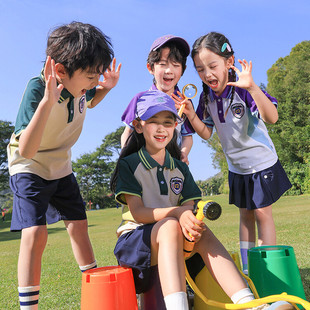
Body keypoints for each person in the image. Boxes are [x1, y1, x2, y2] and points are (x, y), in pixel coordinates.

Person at [110, 90, 293, 310]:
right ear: (139, 126)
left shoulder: (179, 167)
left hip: (176, 244)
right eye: (153, 122)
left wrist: (188, 219)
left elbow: (189, 205)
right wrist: (177, 213)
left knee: (200, 230)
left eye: (168, 123)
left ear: (175, 127)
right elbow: (138, 212)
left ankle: (250, 305)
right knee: (169, 226)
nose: (161, 129)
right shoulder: (129, 164)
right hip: (135, 249)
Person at [7, 21, 121, 309]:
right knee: (36, 232)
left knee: (79, 225)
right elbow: (27, 148)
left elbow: (89, 101)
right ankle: (28, 306)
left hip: (60, 165)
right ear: (60, 71)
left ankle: (97, 291)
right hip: (28, 166)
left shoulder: (81, 89)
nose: (96, 79)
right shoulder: (38, 89)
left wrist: (105, 88)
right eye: (91, 73)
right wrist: (47, 102)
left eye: (98, 72)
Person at [172, 32, 292, 275]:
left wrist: (254, 87)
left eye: (213, 66)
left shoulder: (243, 89)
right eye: (200, 69)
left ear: (229, 62)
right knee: (245, 215)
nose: (207, 74)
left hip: (262, 163)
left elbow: (273, 117)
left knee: (261, 214)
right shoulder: (207, 96)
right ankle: (249, 271)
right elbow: (206, 134)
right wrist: (190, 114)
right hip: (237, 168)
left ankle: (267, 269)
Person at [120, 35, 194, 164]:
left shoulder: (185, 102)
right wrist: (127, 159)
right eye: (162, 64)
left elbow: (187, 136)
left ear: (183, 69)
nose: (169, 70)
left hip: (172, 165)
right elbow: (128, 132)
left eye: (176, 65)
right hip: (143, 165)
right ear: (151, 68)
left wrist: (183, 154)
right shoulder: (140, 99)